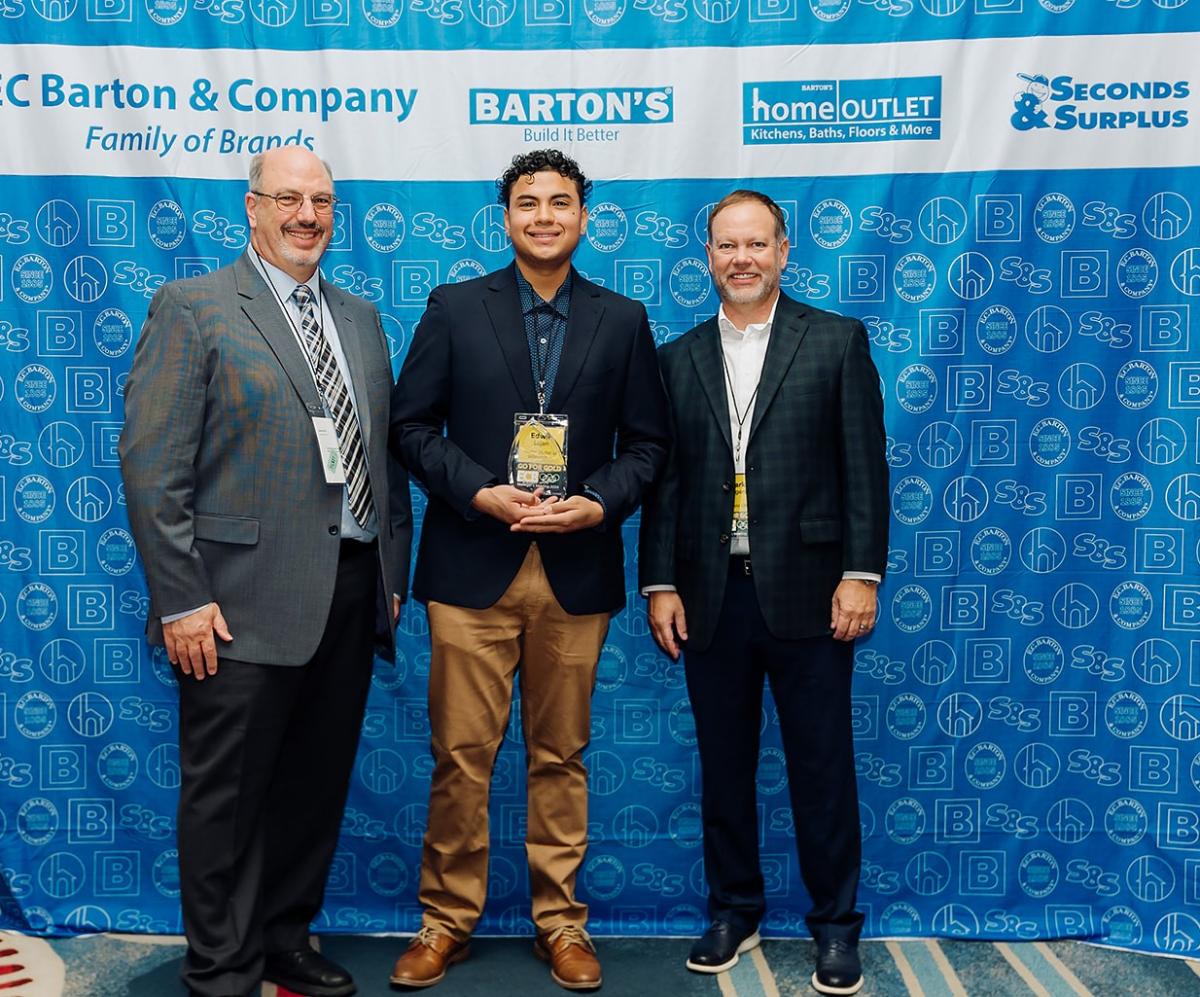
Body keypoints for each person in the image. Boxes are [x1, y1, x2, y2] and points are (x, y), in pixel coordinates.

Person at [119, 146, 411, 997]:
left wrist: (390, 570)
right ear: (252, 207)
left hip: (350, 593)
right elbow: (152, 468)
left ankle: (285, 936)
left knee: (312, 787)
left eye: (321, 201)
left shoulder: (360, 317)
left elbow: (382, 457)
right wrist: (182, 599)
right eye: (288, 198)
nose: (307, 216)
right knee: (228, 796)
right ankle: (220, 966)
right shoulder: (195, 307)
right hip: (232, 604)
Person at [388, 149, 670, 991]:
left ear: (585, 216)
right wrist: (479, 491)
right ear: (504, 217)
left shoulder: (623, 319)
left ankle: (562, 922)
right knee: (460, 756)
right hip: (472, 565)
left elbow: (649, 445)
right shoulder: (454, 307)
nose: (543, 216)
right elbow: (410, 427)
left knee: (561, 756)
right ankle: (445, 920)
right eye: (527, 203)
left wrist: (597, 502)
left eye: (559, 202)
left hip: (575, 569)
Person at [639, 190, 888, 996]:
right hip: (712, 595)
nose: (740, 258)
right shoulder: (676, 358)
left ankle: (835, 926)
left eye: (756, 244)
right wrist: (661, 582)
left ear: (784, 251)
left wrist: (860, 574)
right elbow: (666, 483)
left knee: (823, 766)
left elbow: (865, 467)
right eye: (726, 245)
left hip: (813, 595)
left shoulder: (836, 340)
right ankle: (733, 909)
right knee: (723, 767)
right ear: (707, 257)